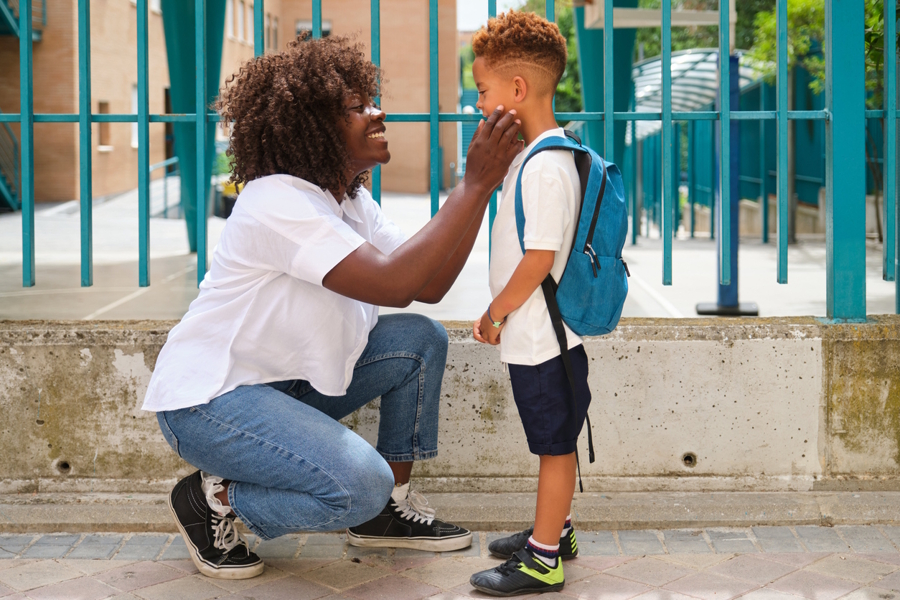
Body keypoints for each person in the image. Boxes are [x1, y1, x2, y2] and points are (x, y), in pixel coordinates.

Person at [142, 34, 523, 580]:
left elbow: (430, 284)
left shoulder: (349, 201)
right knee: (361, 483)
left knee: (419, 339)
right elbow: (394, 283)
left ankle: (384, 517)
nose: (379, 111)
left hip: (282, 388)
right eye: (359, 106)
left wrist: (481, 191)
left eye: (372, 100)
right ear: (315, 125)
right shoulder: (276, 200)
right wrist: (473, 182)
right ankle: (216, 499)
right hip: (211, 403)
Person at [467, 11, 590, 596]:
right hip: (543, 335)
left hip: (544, 338)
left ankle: (543, 560)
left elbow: (538, 258)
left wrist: (495, 313)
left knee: (553, 445)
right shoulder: (541, 155)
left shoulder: (545, 167)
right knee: (552, 438)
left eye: (482, 90)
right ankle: (555, 531)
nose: (477, 103)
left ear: (517, 90)